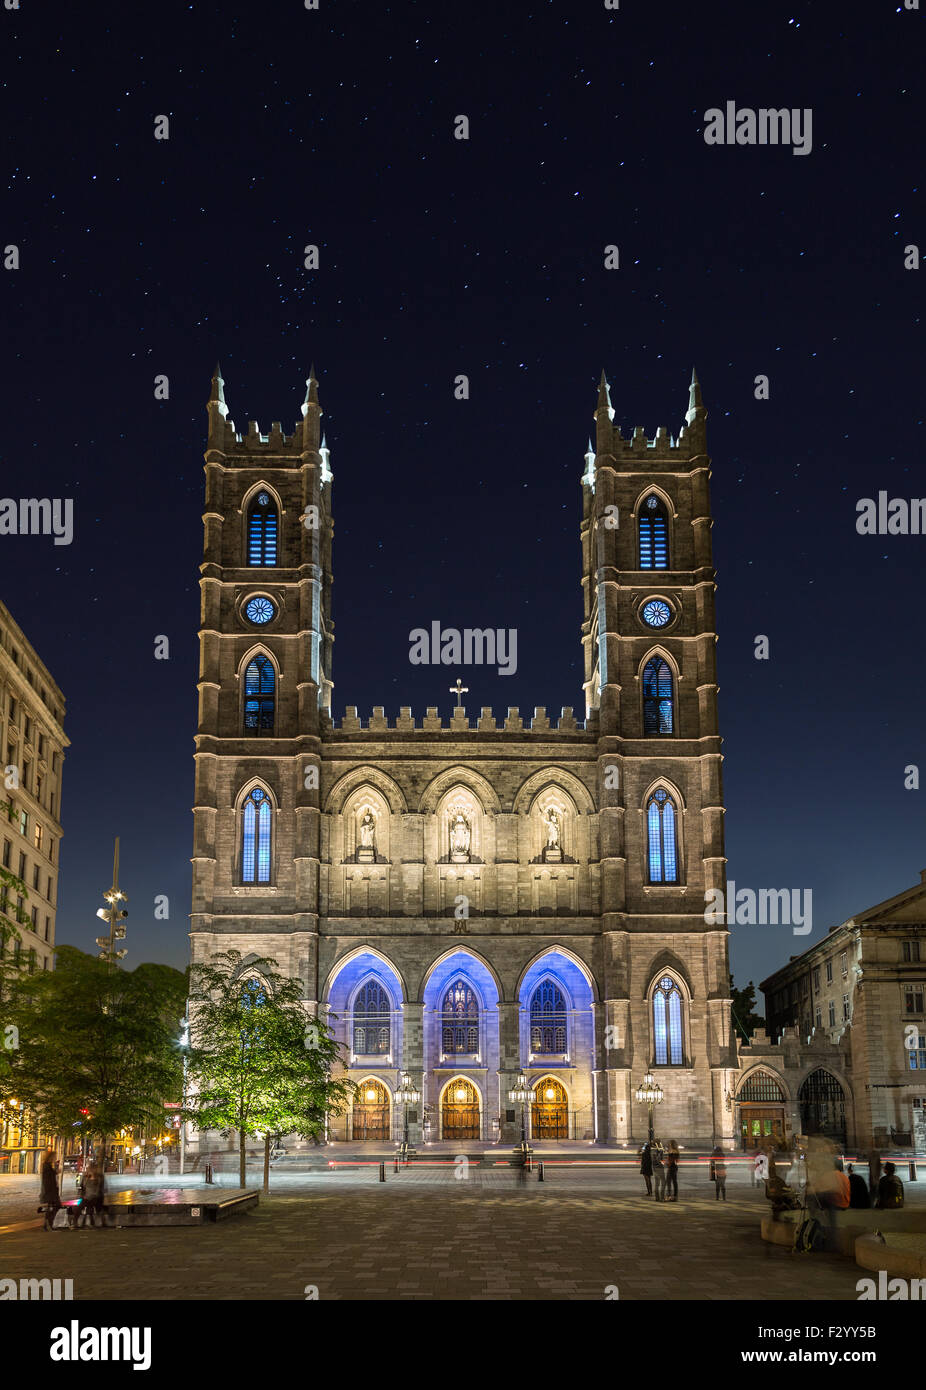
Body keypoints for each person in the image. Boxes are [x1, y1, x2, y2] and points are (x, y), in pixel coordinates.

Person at [39, 1147, 61, 1230]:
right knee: (55, 1206)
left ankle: (47, 1224)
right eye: (54, 1157)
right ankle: (49, 1224)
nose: (54, 1158)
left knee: (51, 1207)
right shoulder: (47, 1166)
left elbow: (52, 1175)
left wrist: (55, 1170)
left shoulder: (47, 1166)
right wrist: (56, 1171)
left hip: (50, 1191)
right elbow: (49, 1178)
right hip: (50, 1191)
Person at [80, 1162, 106, 1228]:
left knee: (92, 1205)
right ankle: (88, 1222)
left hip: (97, 1197)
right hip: (87, 1197)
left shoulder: (99, 1177)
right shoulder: (86, 1177)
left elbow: (98, 1189)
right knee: (84, 1205)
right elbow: (82, 1187)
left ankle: (92, 1221)